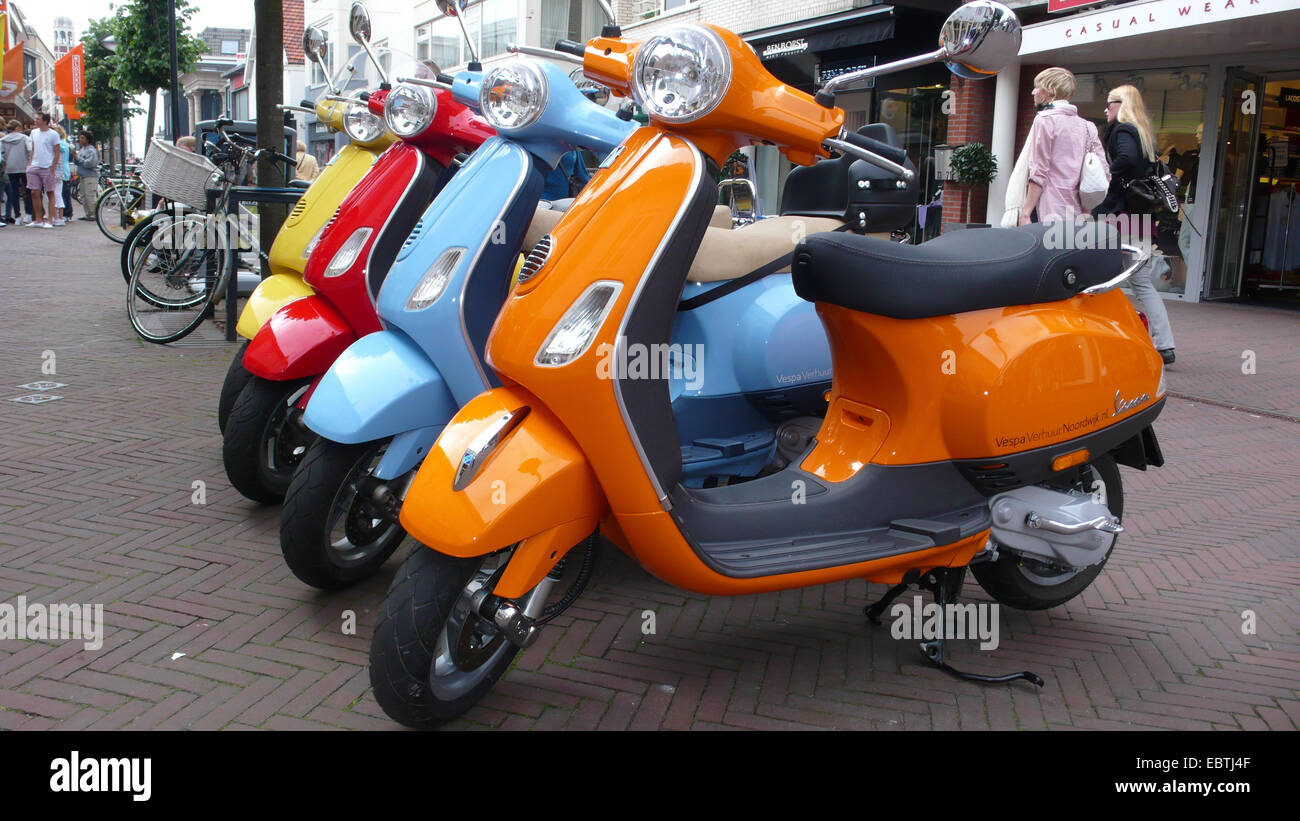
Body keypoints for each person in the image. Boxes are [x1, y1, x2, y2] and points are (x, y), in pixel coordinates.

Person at [1093, 84, 1176, 365]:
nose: (1106, 109)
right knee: (1142, 284)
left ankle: (1108, 338)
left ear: (1123, 104)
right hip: (1139, 218)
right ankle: (1164, 345)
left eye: (1110, 103)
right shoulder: (1142, 134)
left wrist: (1103, 174)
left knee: (1101, 279)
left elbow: (1125, 159)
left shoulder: (1123, 130)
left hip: (1119, 217)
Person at [1003, 67, 1107, 225]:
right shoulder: (1088, 127)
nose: (1033, 92)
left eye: (1038, 87)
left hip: (1047, 208)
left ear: (1050, 92)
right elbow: (1103, 172)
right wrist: (1087, 210)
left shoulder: (1045, 120)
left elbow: (1039, 170)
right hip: (1077, 212)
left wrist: (1025, 212)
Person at [25, 113, 62, 229]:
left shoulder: (53, 134)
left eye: (37, 119)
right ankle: (38, 219)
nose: (35, 121)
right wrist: (30, 163)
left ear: (45, 121)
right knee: (34, 192)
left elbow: (57, 152)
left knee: (50, 193)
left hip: (47, 166)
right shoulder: (34, 133)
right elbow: (33, 148)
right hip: (34, 166)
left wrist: (53, 166)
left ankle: (50, 220)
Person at [2, 120, 32, 224]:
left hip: (10, 168)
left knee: (14, 192)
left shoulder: (3, 140)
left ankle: (17, 216)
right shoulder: (24, 138)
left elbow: (2, 155)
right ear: (18, 127)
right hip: (24, 167)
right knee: (27, 191)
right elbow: (30, 150)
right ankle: (28, 214)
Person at [74, 132, 100, 221]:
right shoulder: (82, 149)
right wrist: (75, 158)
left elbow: (90, 163)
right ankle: (88, 214)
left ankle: (94, 214)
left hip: (90, 176)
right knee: (83, 196)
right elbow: (78, 161)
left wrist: (78, 158)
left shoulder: (91, 150)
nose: (80, 140)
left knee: (90, 195)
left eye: (82, 138)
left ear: (87, 139)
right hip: (83, 176)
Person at [51, 124, 73, 226]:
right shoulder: (64, 143)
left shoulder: (60, 144)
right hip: (64, 170)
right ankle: (65, 214)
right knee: (63, 193)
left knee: (61, 194)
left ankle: (64, 214)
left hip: (61, 171)